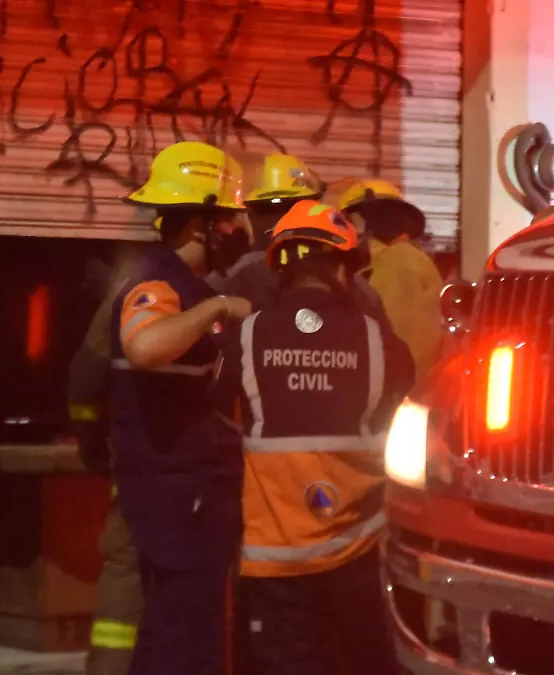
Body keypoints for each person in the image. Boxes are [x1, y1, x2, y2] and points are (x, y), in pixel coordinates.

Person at [211, 200, 415, 675]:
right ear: (346, 269)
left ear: (281, 269)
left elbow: (222, 416)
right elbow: (403, 422)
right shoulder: (383, 343)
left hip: (276, 560)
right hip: (362, 555)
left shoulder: (246, 336)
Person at [110, 141, 254, 675]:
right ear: (203, 225)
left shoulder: (183, 283)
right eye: (229, 219)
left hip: (183, 490)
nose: (238, 231)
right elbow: (145, 347)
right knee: (188, 639)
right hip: (177, 494)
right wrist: (217, 308)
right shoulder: (157, 282)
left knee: (170, 631)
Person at [69, 244, 146, 675]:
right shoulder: (234, 291)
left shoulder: (131, 293)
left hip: (139, 478)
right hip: (233, 484)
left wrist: (91, 443)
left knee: (126, 580)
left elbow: (84, 380)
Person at [213, 153, 390, 327]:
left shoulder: (244, 272)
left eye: (291, 208)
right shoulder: (353, 283)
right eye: (267, 210)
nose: (279, 221)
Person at [338, 179, 444, 381]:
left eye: (351, 222)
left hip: (398, 398)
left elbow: (406, 347)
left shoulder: (400, 262)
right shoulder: (375, 265)